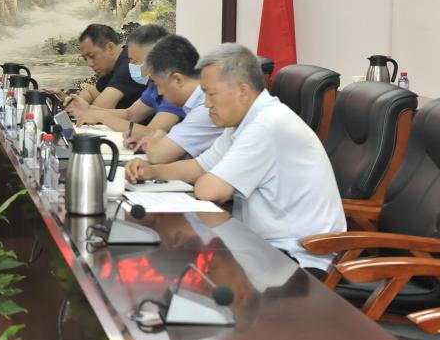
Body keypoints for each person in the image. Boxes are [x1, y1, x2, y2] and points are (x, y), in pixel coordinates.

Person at [125, 43, 345, 271]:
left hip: (296, 257)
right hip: (258, 244)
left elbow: (209, 191)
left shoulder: (267, 125)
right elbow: (200, 166)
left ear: (243, 91)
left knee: (182, 265)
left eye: (211, 94)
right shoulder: (243, 120)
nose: (207, 104)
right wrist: (152, 171)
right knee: (182, 263)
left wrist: (207, 177)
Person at [71, 25, 184, 140]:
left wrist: (101, 116)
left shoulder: (176, 87)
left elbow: (151, 132)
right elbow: (130, 114)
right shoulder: (154, 85)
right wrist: (89, 110)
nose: (130, 66)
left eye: (134, 61)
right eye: (130, 60)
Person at [126, 34, 224, 163]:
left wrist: (159, 134)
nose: (160, 92)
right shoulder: (196, 101)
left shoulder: (205, 108)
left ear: (177, 79)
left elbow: (158, 156)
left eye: (158, 84)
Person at [61, 23, 146, 114]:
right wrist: (73, 103)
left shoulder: (129, 66)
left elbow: (95, 115)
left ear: (110, 47)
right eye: (86, 59)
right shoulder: (114, 64)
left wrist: (76, 108)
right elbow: (91, 92)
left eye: (92, 56)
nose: (90, 64)